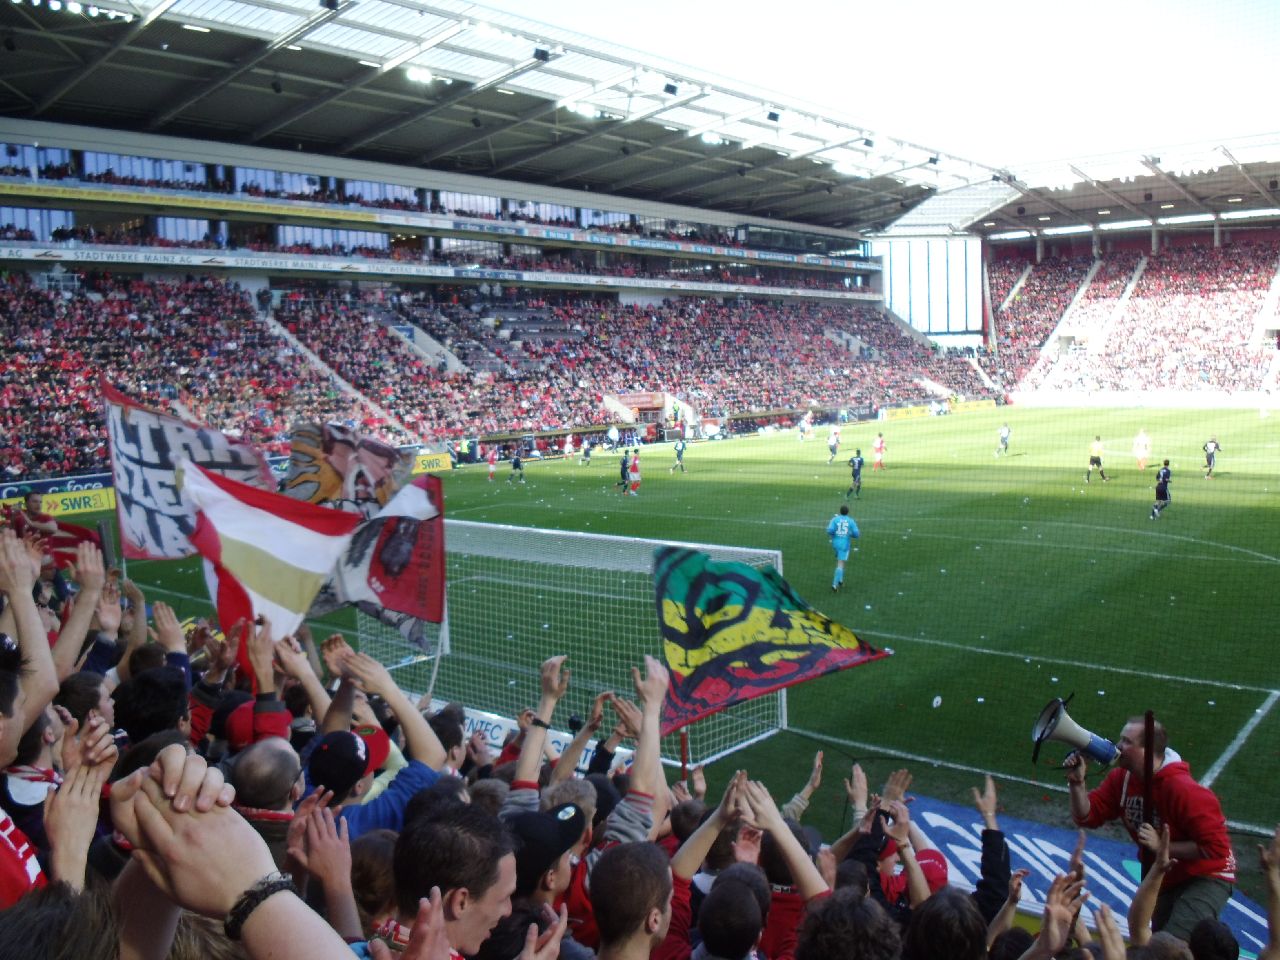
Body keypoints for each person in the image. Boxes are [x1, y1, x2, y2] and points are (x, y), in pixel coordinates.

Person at [1066, 716, 1235, 939]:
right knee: (1158, 942)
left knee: (1171, 943)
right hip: (1166, 874)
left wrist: (1162, 847)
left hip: (1207, 874)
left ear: (1148, 750)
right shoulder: (1122, 779)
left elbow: (1217, 850)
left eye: (1127, 741)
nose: (1118, 746)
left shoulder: (1183, 790)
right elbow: (1087, 816)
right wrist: (1077, 784)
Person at [825, 504, 859, 592]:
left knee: (841, 561)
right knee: (840, 563)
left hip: (835, 543)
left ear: (840, 511)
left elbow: (829, 531)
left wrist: (834, 535)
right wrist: (850, 534)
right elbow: (856, 534)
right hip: (844, 545)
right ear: (848, 512)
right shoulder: (850, 521)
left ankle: (840, 581)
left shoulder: (835, 519)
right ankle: (834, 584)